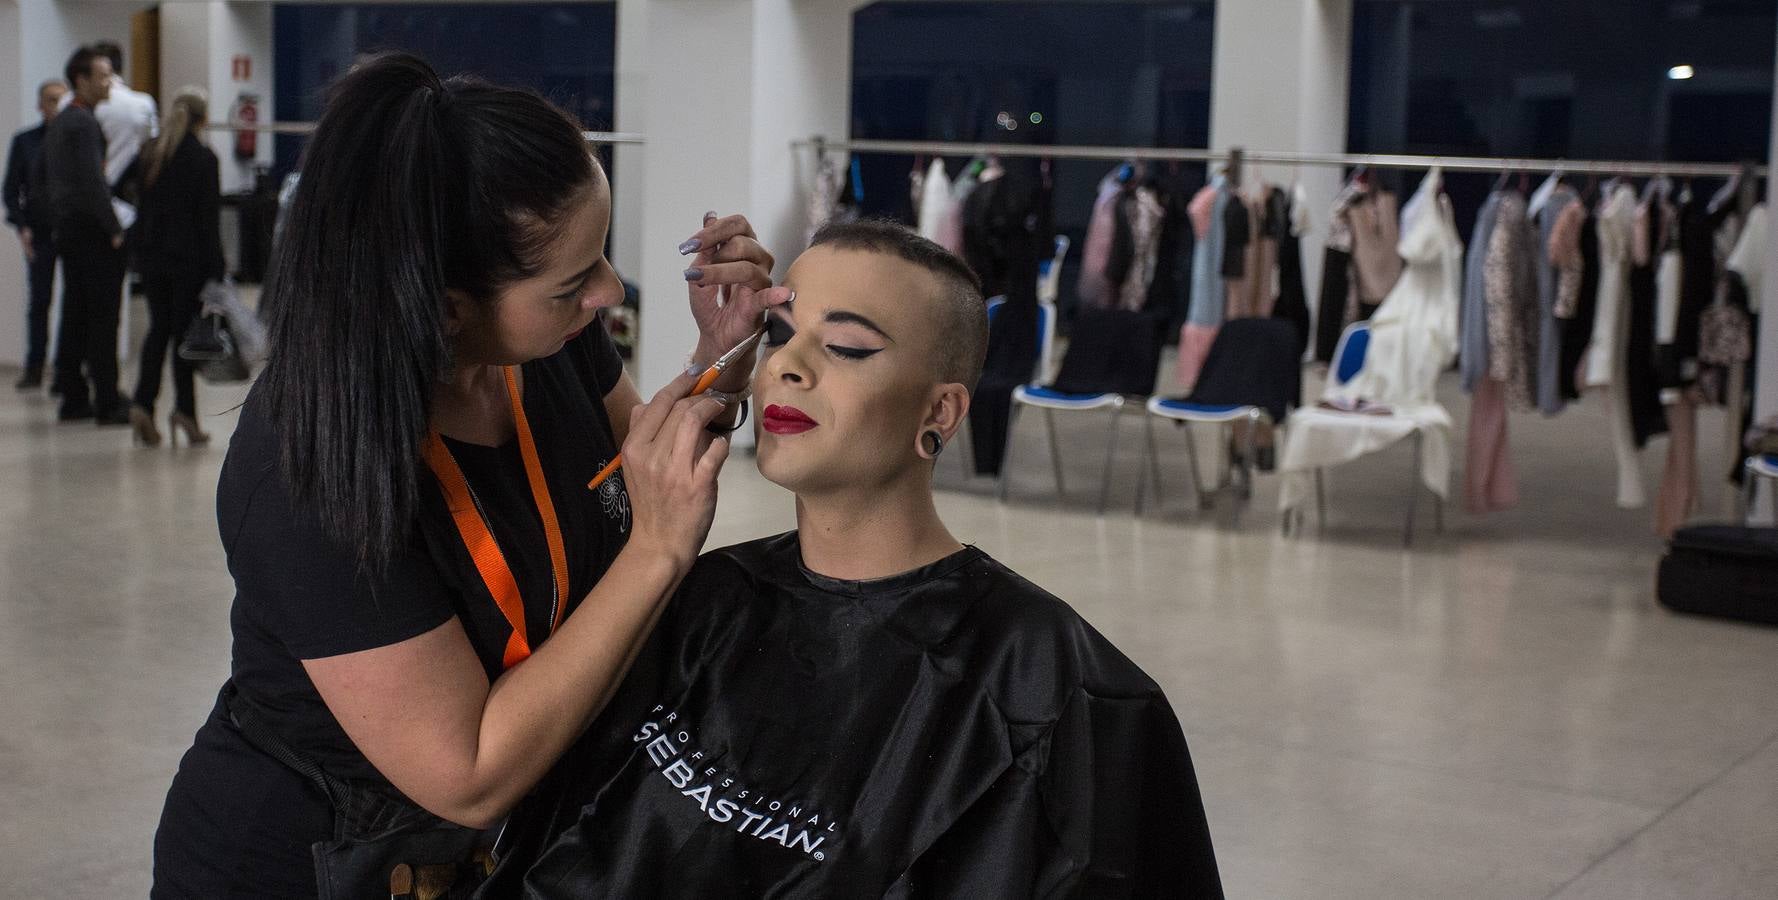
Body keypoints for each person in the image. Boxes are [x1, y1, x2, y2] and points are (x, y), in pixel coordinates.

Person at [150, 53, 786, 899]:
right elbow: (468, 770)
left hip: (492, 852)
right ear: (444, 308)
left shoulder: (548, 342)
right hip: (316, 862)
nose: (609, 291)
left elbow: (636, 472)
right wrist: (660, 552)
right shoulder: (303, 468)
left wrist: (721, 356)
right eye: (572, 284)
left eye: (602, 257)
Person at [487, 220, 1225, 898]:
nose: (787, 368)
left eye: (847, 347)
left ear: (940, 413)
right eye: (779, 334)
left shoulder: (1052, 691)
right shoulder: (701, 599)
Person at [125, 87, 224, 447]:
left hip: (152, 259)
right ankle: (185, 411)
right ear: (203, 119)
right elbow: (207, 220)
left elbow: (131, 195)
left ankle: (142, 403)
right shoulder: (203, 158)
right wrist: (218, 269)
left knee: (158, 330)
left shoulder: (151, 153)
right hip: (189, 261)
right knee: (184, 337)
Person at [44, 46, 130, 424]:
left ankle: (72, 392)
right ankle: (107, 400)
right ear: (82, 80)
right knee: (101, 317)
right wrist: (113, 227)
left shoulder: (65, 121)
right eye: (103, 75)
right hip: (90, 232)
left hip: (71, 229)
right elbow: (93, 183)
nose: (109, 82)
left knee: (76, 314)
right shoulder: (81, 123)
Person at [2, 79, 66, 390]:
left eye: (61, 99)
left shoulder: (75, 140)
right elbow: (11, 191)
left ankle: (69, 369)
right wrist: (22, 226)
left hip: (71, 231)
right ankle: (35, 365)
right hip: (40, 232)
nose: (56, 106)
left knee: (76, 302)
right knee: (39, 300)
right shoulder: (26, 141)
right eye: (51, 100)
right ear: (41, 105)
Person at [88, 40, 159, 190]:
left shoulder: (75, 105)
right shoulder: (143, 103)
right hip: (126, 187)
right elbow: (151, 145)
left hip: (91, 188)